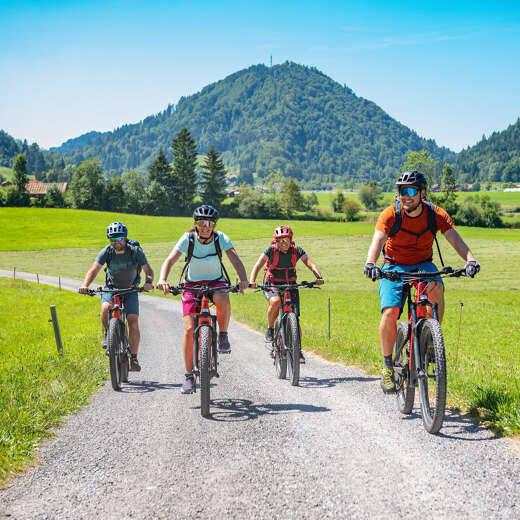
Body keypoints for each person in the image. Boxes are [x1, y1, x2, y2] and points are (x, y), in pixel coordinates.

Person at [364, 170, 480, 393]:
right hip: (393, 265)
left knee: (437, 288)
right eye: (401, 191)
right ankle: (388, 365)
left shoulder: (434, 214)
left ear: (422, 193)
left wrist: (470, 259)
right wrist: (371, 262)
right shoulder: (391, 214)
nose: (405, 196)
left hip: (423, 264)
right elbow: (378, 239)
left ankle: (430, 339)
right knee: (390, 312)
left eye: (410, 191)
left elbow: (454, 238)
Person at [156, 205, 249, 394]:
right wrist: (162, 279)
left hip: (216, 282)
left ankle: (222, 335)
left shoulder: (220, 238)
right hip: (191, 285)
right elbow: (170, 260)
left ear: (214, 225)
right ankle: (189, 375)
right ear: (195, 224)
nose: (205, 227)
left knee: (223, 297)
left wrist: (244, 279)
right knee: (190, 329)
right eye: (201, 223)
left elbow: (235, 261)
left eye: (209, 223)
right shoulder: (188, 239)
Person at [79, 222, 154, 371]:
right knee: (106, 307)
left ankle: (134, 358)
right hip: (111, 289)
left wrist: (148, 282)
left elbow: (148, 270)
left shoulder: (135, 251)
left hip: (131, 289)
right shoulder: (107, 251)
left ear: (125, 238)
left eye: (119, 238)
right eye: (112, 239)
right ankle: (108, 333)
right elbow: (94, 270)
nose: (116, 242)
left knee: (132, 322)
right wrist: (85, 285)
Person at [249, 225, 324, 363]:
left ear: (291, 240)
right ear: (276, 241)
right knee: (276, 302)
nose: (284, 242)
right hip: (272, 284)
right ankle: (270, 329)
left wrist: (318, 276)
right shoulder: (271, 250)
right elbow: (258, 265)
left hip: (290, 284)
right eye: (280, 239)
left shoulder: (297, 250)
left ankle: (298, 349)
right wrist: (252, 281)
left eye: (286, 239)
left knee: (295, 318)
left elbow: (309, 262)